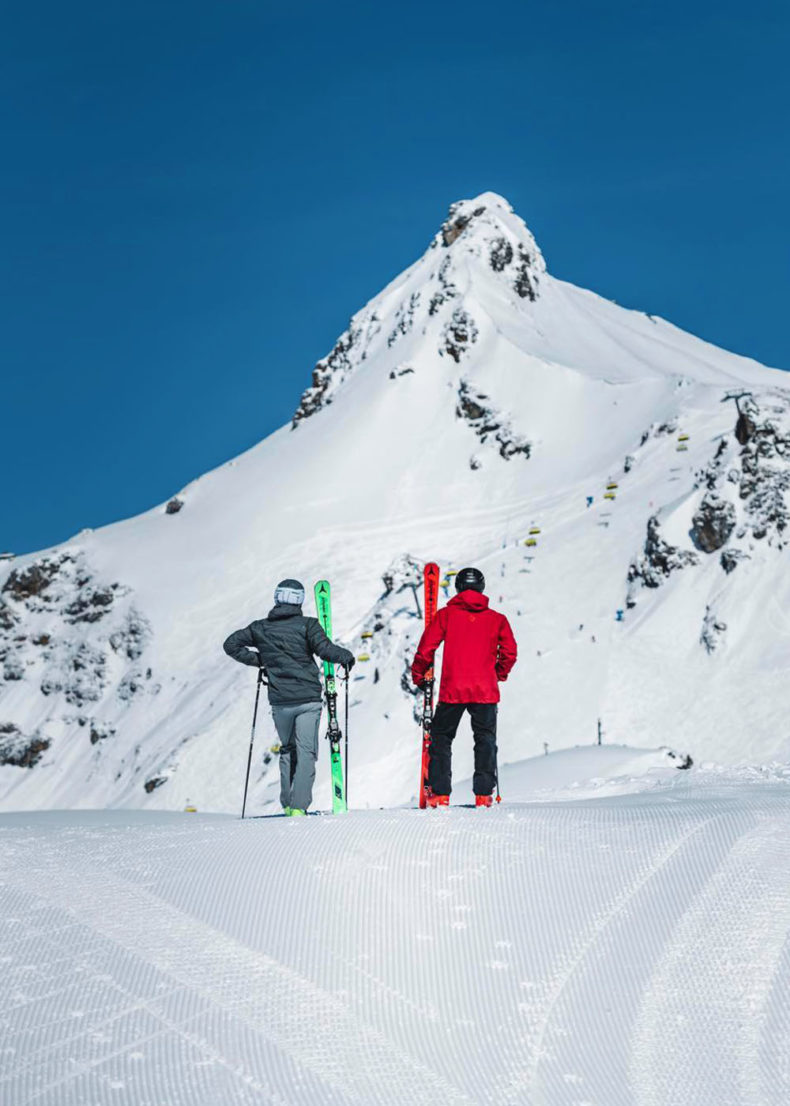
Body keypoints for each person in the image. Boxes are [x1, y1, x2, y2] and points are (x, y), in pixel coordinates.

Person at [223, 579, 354, 815]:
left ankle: (286, 803)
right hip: (308, 700)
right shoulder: (309, 625)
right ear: (300, 600)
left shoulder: (259, 628)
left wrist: (261, 660)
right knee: (306, 753)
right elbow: (326, 651)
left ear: (277, 598)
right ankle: (298, 807)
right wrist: (346, 656)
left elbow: (231, 644)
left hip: (280, 701)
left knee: (287, 749)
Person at [411, 567, 517, 807]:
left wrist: (419, 675)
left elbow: (427, 647)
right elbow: (510, 652)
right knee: (485, 739)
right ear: (482, 588)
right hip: (485, 690)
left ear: (458, 588)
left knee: (441, 738)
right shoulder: (497, 619)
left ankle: (440, 795)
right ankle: (483, 795)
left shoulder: (446, 615)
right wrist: (497, 674)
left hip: (453, 689)